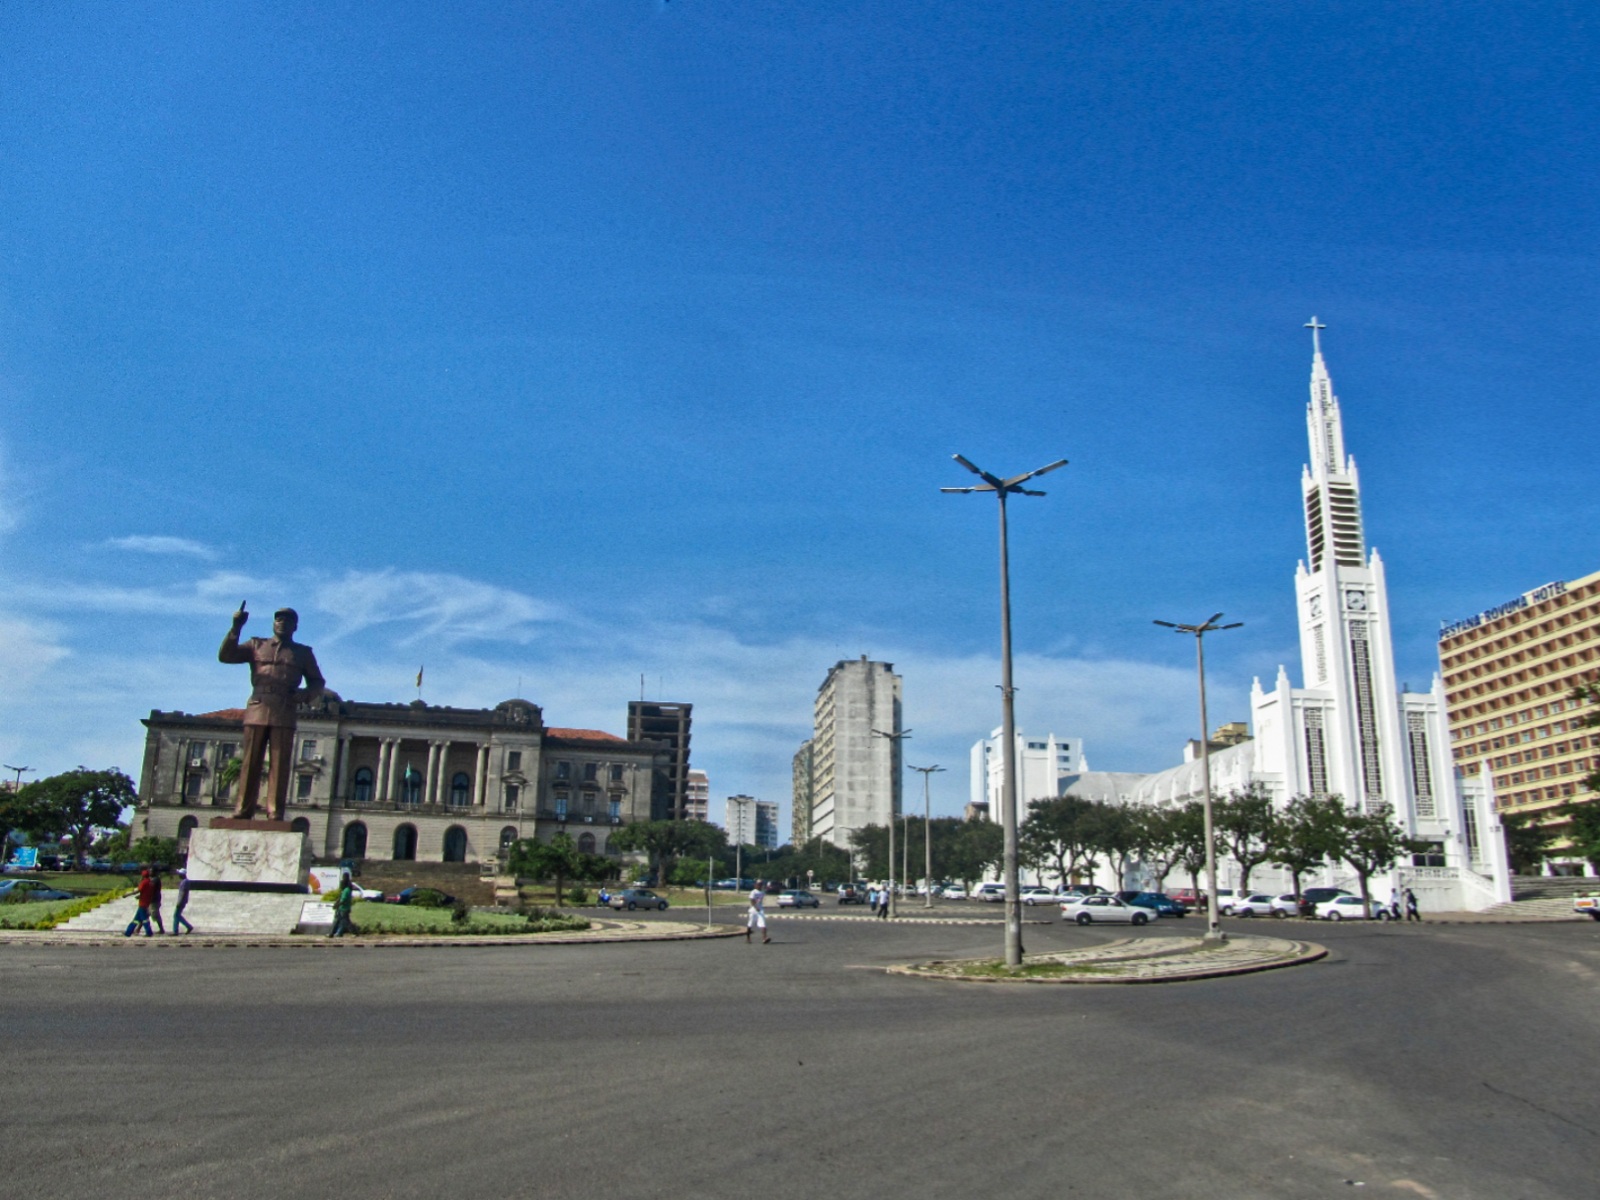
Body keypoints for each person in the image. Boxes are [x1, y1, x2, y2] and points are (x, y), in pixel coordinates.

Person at [219, 605, 326, 821]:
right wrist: (236, 627)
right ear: (273, 623)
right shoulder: (256, 645)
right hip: (258, 705)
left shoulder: (303, 653)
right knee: (250, 761)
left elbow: (317, 682)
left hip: (285, 708)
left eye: (288, 620)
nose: (282, 623)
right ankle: (242, 809)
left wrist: (304, 695)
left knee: (280, 763)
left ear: (295, 627)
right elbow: (226, 656)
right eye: (278, 619)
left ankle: (275, 811)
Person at [123, 869, 156, 938]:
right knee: (136, 919)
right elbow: (147, 892)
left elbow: (138, 890)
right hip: (147, 902)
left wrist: (127, 894)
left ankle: (149, 932)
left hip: (142, 903)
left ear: (143, 876)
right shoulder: (150, 883)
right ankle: (128, 932)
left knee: (145, 919)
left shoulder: (144, 882)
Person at [329, 871, 355, 937]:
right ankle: (332, 933)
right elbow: (340, 898)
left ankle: (354, 932)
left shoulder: (346, 890)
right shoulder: (345, 890)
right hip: (342, 908)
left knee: (346, 922)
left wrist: (337, 905)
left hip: (344, 908)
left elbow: (343, 900)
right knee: (337, 921)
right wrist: (336, 903)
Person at [171, 867, 194, 935]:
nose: (178, 875)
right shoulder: (186, 881)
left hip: (181, 901)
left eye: (179, 874)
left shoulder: (184, 882)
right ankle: (177, 930)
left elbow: (183, 893)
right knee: (177, 915)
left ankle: (178, 930)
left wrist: (179, 902)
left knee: (176, 915)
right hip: (183, 901)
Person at [147, 867, 166, 934]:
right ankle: (138, 929)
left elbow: (151, 888)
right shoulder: (152, 879)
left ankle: (161, 929)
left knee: (155, 914)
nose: (150, 872)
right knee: (145, 914)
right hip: (150, 899)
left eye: (151, 871)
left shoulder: (155, 880)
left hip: (154, 900)